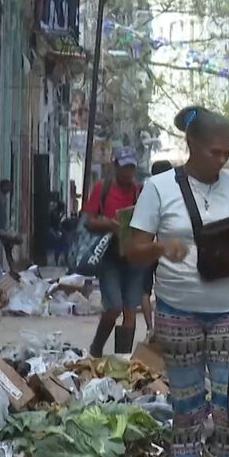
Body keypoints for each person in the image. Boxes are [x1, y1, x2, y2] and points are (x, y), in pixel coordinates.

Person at [127, 106, 229, 457]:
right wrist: (164, 246)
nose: (221, 161)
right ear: (191, 146)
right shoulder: (158, 188)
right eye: (214, 152)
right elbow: (133, 248)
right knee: (186, 414)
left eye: (228, 153)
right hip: (177, 312)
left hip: (228, 311)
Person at [83, 147, 145, 357]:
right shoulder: (103, 188)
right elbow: (89, 221)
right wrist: (110, 225)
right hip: (110, 256)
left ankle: (122, 360)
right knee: (113, 307)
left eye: (131, 168)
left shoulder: (140, 192)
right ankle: (96, 349)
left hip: (134, 257)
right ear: (114, 167)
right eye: (124, 167)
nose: (128, 173)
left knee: (130, 310)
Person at [140, 159, 173, 335]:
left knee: (145, 291)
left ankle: (149, 327)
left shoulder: (147, 191)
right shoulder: (174, 193)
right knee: (163, 289)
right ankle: (162, 325)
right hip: (162, 249)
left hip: (147, 249)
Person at [0, 179, 22, 274]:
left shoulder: (4, 197)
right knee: (8, 246)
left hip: (2, 227)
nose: (10, 188)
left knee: (8, 248)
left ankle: (12, 269)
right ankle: (11, 268)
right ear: (3, 186)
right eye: (8, 186)